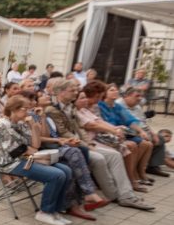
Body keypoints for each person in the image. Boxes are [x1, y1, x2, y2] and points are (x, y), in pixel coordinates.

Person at [46, 79, 153, 211]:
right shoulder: (53, 109)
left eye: (76, 90)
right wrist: (86, 144)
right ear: (61, 92)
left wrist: (88, 142)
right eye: (72, 90)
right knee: (99, 159)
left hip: (81, 144)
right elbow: (64, 133)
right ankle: (115, 195)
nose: (76, 92)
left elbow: (79, 128)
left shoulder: (70, 106)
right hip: (68, 146)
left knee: (114, 155)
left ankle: (125, 195)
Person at [0, 96, 76, 225]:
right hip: (10, 163)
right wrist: (33, 152)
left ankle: (55, 210)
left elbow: (36, 144)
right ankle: (45, 212)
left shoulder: (21, 123)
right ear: (14, 109)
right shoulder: (2, 125)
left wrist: (33, 124)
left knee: (66, 170)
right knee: (56, 175)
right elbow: (17, 152)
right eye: (26, 109)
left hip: (26, 158)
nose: (28, 112)